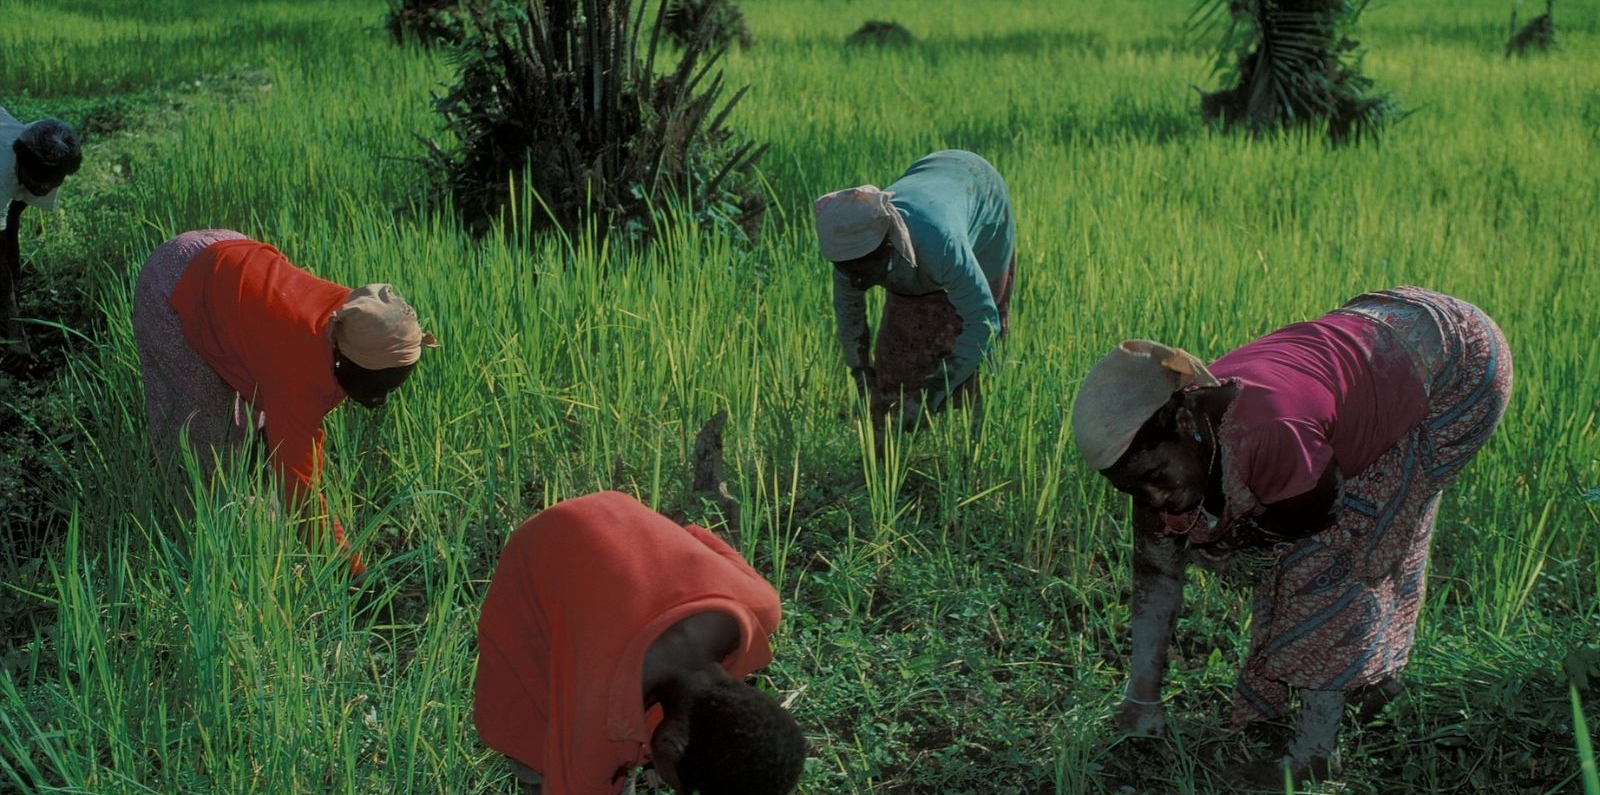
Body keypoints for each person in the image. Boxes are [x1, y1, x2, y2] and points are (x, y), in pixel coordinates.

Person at [1070, 286, 1512, 785]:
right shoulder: (1171, 447)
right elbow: (1156, 569)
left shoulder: (1268, 433)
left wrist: (1238, 542)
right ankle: (1370, 680)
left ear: (1184, 420)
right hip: (1383, 333)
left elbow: (1310, 519)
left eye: (1156, 478)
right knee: (1344, 529)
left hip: (1459, 364)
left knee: (1336, 555)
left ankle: (1316, 754)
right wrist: (1140, 701)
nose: (1154, 499)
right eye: (1134, 490)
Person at [132, 229, 437, 575]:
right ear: (344, 360)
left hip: (229, 260)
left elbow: (297, 441)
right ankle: (196, 549)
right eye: (375, 385)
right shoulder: (302, 368)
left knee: (255, 429)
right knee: (199, 442)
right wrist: (350, 572)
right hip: (177, 279)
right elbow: (300, 489)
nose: (379, 399)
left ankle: (248, 503)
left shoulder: (356, 321)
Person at [474, 490, 807, 795]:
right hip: (535, 557)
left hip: (617, 512)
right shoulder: (594, 727)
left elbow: (693, 537)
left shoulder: (760, 606)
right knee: (536, 744)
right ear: (672, 744)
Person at [814, 149, 1016, 436]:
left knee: (974, 361)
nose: (856, 281)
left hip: (980, 191)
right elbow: (850, 316)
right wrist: (861, 373)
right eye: (847, 271)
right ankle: (893, 453)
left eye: (862, 270)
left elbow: (983, 320)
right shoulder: (850, 254)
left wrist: (933, 392)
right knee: (897, 361)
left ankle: (975, 446)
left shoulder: (941, 242)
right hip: (933, 181)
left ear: (887, 246)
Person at [2, 108, 83, 357]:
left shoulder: (47, 155)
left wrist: (14, 273)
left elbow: (12, 216)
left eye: (52, 182)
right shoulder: (4, 168)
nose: (44, 188)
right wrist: (15, 334)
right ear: (20, 165)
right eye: (36, 181)